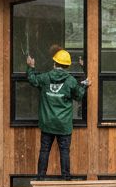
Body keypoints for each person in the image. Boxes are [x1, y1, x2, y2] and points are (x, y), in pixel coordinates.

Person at [26, 48, 90, 178]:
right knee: (64, 151)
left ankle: (40, 177)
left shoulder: (45, 78)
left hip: (47, 123)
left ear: (54, 63)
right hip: (63, 125)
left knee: (44, 150)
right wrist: (85, 85)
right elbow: (78, 95)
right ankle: (66, 177)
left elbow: (32, 79)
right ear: (66, 66)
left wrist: (31, 66)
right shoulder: (71, 81)